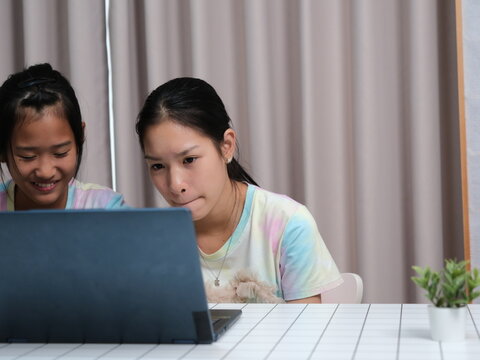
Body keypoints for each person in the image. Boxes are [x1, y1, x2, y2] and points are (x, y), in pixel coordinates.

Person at [136, 77, 342, 303]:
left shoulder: (288, 224)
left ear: (226, 146)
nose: (175, 184)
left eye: (189, 160)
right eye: (157, 166)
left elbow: (306, 334)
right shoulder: (153, 241)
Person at [0, 63, 126, 210]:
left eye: (60, 153)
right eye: (28, 156)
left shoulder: (106, 209)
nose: (45, 172)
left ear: (79, 137)